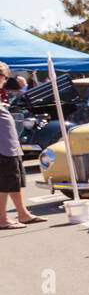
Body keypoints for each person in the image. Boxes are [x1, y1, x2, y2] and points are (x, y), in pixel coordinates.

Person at [1, 75, 45, 229]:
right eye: (4, 77)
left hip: (9, 146)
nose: (5, 80)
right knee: (5, 184)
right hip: (3, 148)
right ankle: (2, 219)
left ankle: (23, 213)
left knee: (15, 182)